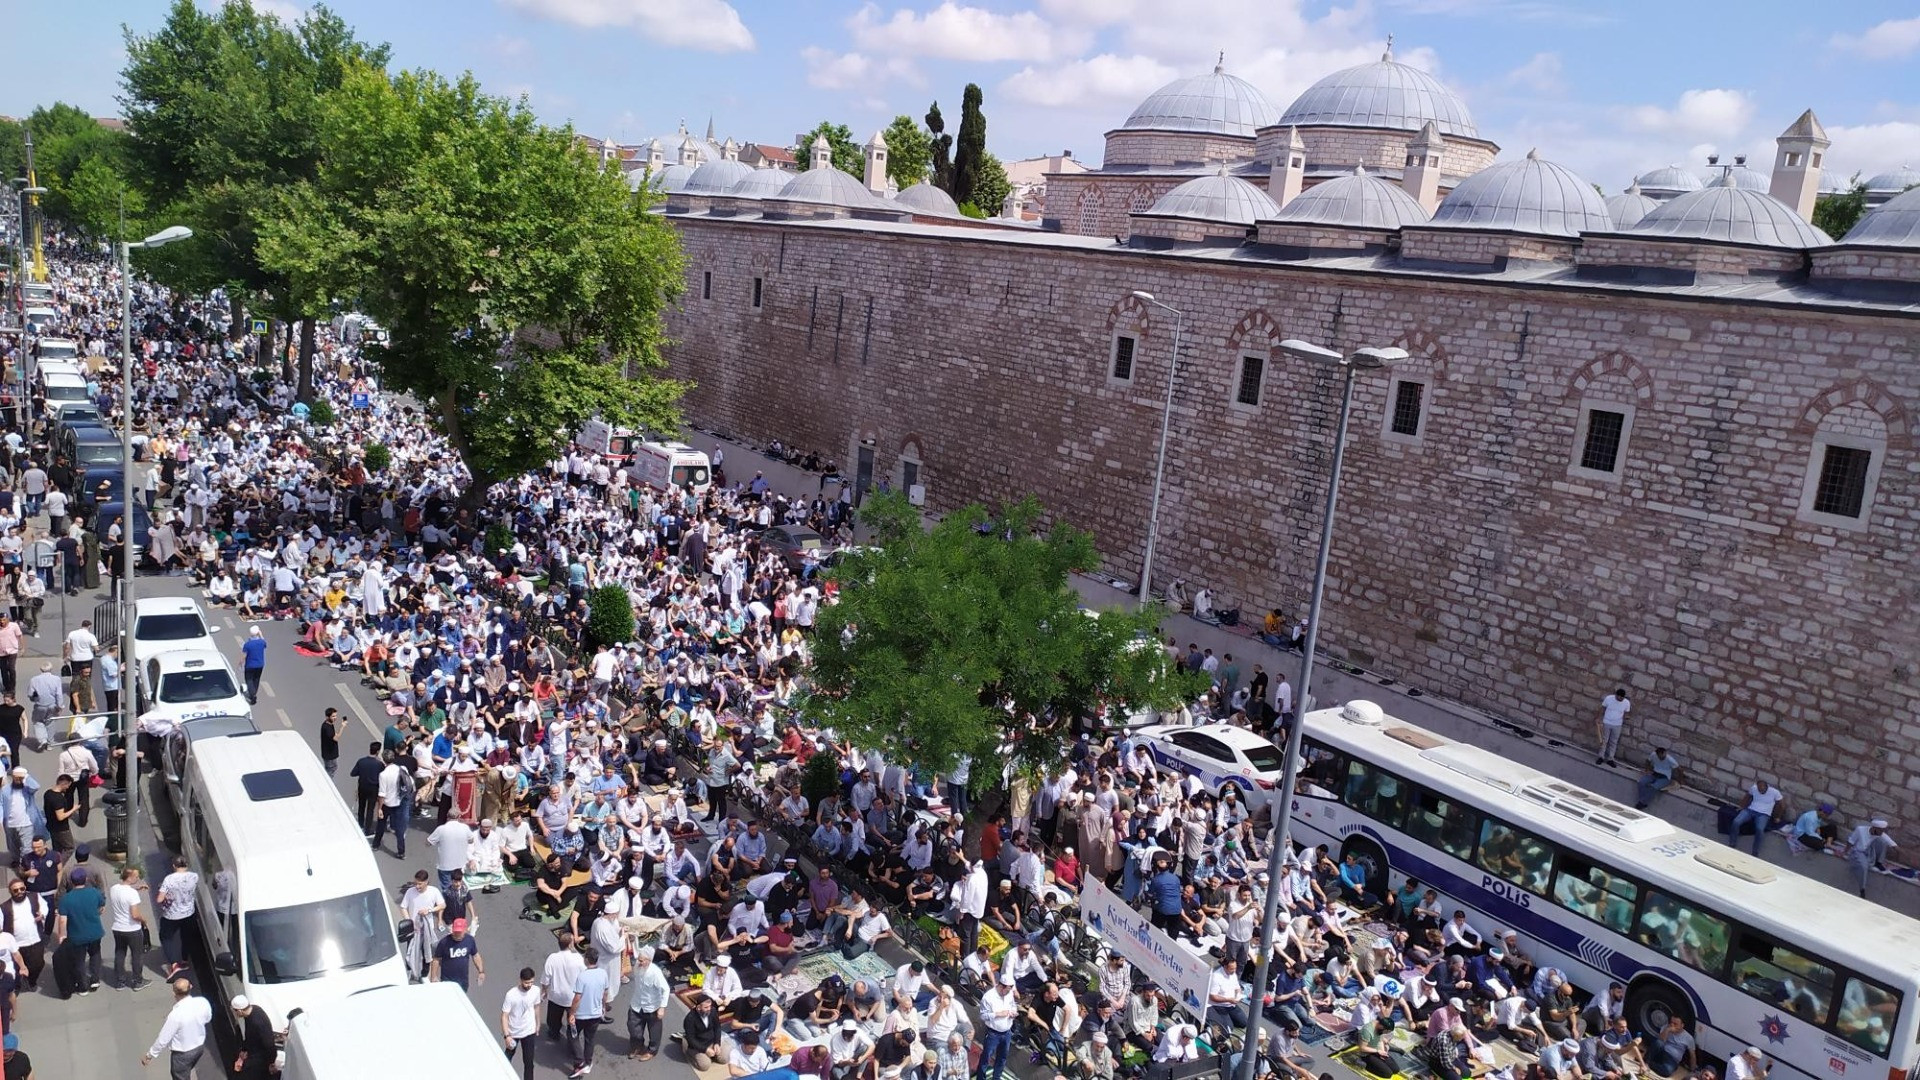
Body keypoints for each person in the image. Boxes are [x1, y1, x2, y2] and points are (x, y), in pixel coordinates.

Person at [141, 978, 211, 1079]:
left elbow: (163, 1039)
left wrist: (149, 1055)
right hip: (199, 1048)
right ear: (190, 987)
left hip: (182, 1054)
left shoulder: (175, 1015)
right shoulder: (202, 1002)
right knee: (186, 1070)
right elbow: (207, 1018)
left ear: (174, 993)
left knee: (180, 1075)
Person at [54, 866, 105, 996]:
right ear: (86, 879)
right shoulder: (94, 892)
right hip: (95, 932)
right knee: (95, 954)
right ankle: (95, 980)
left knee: (79, 960)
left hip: (76, 935)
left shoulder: (66, 899)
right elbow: (101, 907)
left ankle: (83, 987)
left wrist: (61, 935)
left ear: (71, 881)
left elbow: (62, 920)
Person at [568, 944, 613, 1078]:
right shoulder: (603, 974)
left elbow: (577, 998)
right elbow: (605, 994)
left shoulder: (582, 976)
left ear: (586, 960)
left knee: (572, 1035)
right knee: (590, 1039)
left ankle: (580, 1061)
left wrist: (571, 1013)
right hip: (595, 1014)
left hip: (581, 1015)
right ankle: (588, 1062)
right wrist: (603, 1007)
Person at [108, 865, 150, 990]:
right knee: (137, 955)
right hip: (132, 930)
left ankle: (120, 981)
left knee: (120, 953)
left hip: (118, 928)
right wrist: (143, 920)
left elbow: (123, 893)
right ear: (130, 877)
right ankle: (137, 981)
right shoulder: (132, 894)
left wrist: (137, 888)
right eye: (136, 876)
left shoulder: (114, 888)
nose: (138, 878)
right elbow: (135, 915)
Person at [626, 945, 671, 1060]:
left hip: (652, 1006)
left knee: (654, 1032)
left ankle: (651, 1051)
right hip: (637, 1004)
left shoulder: (655, 972)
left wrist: (662, 1007)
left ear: (649, 960)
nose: (639, 962)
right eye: (639, 960)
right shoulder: (637, 966)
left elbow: (666, 989)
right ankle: (637, 1046)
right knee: (633, 1028)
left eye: (641, 961)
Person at [502, 967, 543, 1080]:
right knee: (506, 1060)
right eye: (526, 982)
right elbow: (504, 1016)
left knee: (529, 1063)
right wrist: (507, 1036)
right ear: (520, 980)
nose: (529, 985)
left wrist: (538, 1023)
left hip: (529, 1032)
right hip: (513, 1033)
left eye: (531, 982)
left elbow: (536, 1007)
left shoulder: (536, 990)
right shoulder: (511, 995)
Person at [1726, 779, 1783, 856]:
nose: (1760, 792)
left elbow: (1781, 805)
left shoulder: (1775, 792)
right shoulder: (1754, 788)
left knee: (1759, 829)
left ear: (1767, 787)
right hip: (1751, 810)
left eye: (1762, 790)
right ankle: (1732, 843)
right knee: (1736, 822)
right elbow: (1747, 797)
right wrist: (1742, 806)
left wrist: (1777, 817)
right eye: (1759, 790)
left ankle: (1755, 851)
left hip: (1764, 814)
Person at [1845, 819, 1897, 897]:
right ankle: (1862, 889)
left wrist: (1903, 853)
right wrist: (1845, 852)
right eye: (1881, 830)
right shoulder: (1860, 830)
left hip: (1869, 853)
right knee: (1863, 867)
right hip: (1858, 852)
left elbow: (1892, 844)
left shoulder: (1880, 834)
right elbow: (1851, 841)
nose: (1882, 832)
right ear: (1874, 828)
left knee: (1882, 842)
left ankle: (1878, 863)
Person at [231, 994, 278, 1079]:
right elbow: (250, 1036)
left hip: (261, 1057)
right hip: (254, 1051)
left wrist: (271, 1063)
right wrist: (244, 1049)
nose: (234, 1013)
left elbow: (269, 1044)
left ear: (240, 1011)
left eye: (235, 1010)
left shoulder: (257, 1023)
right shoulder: (254, 1010)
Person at [430, 917, 483, 991]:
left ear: (465, 930)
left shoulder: (470, 940)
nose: (457, 934)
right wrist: (433, 977)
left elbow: (475, 956)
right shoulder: (444, 942)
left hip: (463, 981)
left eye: (459, 932)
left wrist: (481, 972)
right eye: (456, 931)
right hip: (447, 981)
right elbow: (436, 959)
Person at [683, 994, 724, 1070]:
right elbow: (691, 1039)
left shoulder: (713, 1011)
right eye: (706, 1007)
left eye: (710, 1006)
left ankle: (711, 1054)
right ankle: (689, 1053)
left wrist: (717, 1043)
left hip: (711, 1040)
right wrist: (705, 1049)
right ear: (698, 1008)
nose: (709, 1009)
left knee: (724, 1058)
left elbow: (717, 1027)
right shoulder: (690, 1019)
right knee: (705, 1065)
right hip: (698, 1045)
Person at [1596, 688, 1630, 766]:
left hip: (1617, 724)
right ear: (1616, 695)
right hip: (1607, 722)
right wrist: (1598, 718)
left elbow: (1626, 713)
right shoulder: (1609, 698)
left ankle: (1610, 759)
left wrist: (1627, 717)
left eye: (1622, 698)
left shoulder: (1626, 702)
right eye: (1619, 697)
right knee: (1604, 741)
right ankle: (1601, 757)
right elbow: (1602, 708)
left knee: (1614, 742)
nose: (1620, 699)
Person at [239, 625, 268, 704]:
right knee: (256, 679)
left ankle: (252, 694)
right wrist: (261, 635)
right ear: (258, 632)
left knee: (249, 680)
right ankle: (253, 693)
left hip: (250, 665)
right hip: (260, 665)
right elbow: (265, 644)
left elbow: (244, 655)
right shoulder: (261, 642)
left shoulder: (247, 644)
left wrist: (240, 663)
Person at [318, 708, 344, 775]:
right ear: (327, 717)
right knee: (331, 771)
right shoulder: (327, 728)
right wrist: (342, 727)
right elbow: (336, 738)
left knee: (332, 768)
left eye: (335, 716)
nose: (335, 718)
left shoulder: (328, 724)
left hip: (328, 753)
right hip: (330, 755)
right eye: (333, 716)